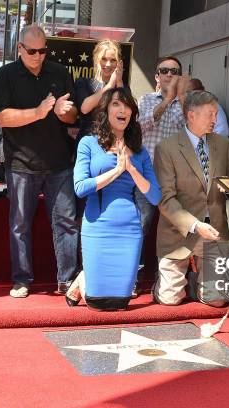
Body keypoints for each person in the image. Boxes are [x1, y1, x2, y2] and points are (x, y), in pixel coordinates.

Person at [0, 24, 80, 298]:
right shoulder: (5, 75)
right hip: (20, 164)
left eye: (43, 50)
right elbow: (0, 117)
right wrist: (39, 112)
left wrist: (65, 113)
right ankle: (21, 280)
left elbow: (73, 116)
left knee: (66, 221)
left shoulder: (59, 72)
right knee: (20, 224)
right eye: (32, 51)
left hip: (59, 163)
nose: (39, 56)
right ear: (20, 48)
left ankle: (67, 280)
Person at [66, 87, 161, 310]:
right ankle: (83, 279)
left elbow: (155, 196)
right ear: (105, 111)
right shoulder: (88, 143)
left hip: (129, 228)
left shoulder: (140, 151)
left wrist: (131, 169)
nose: (123, 110)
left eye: (127, 105)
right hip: (97, 225)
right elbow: (80, 187)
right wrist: (116, 171)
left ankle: (83, 278)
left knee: (120, 303)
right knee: (98, 304)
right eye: (116, 104)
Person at [153, 90, 229, 306]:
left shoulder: (223, 145)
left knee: (216, 300)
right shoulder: (166, 148)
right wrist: (194, 225)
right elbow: (165, 199)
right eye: (210, 114)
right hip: (179, 234)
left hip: (214, 233)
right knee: (170, 300)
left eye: (216, 114)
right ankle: (164, 284)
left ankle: (196, 282)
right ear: (191, 115)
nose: (215, 120)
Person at [136, 56, 188, 278]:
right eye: (164, 70)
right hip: (146, 175)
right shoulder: (146, 99)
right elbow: (141, 126)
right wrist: (167, 100)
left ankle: (169, 280)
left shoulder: (188, 104)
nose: (169, 74)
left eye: (174, 71)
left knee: (174, 229)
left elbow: (194, 133)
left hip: (174, 177)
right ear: (157, 76)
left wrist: (181, 97)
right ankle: (133, 277)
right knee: (141, 225)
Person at [75, 39, 124, 142]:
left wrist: (118, 82)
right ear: (97, 60)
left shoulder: (122, 86)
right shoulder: (83, 82)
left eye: (113, 60)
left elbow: (124, 111)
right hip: (88, 141)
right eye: (104, 59)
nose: (108, 64)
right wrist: (110, 85)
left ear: (119, 63)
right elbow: (84, 108)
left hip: (113, 142)